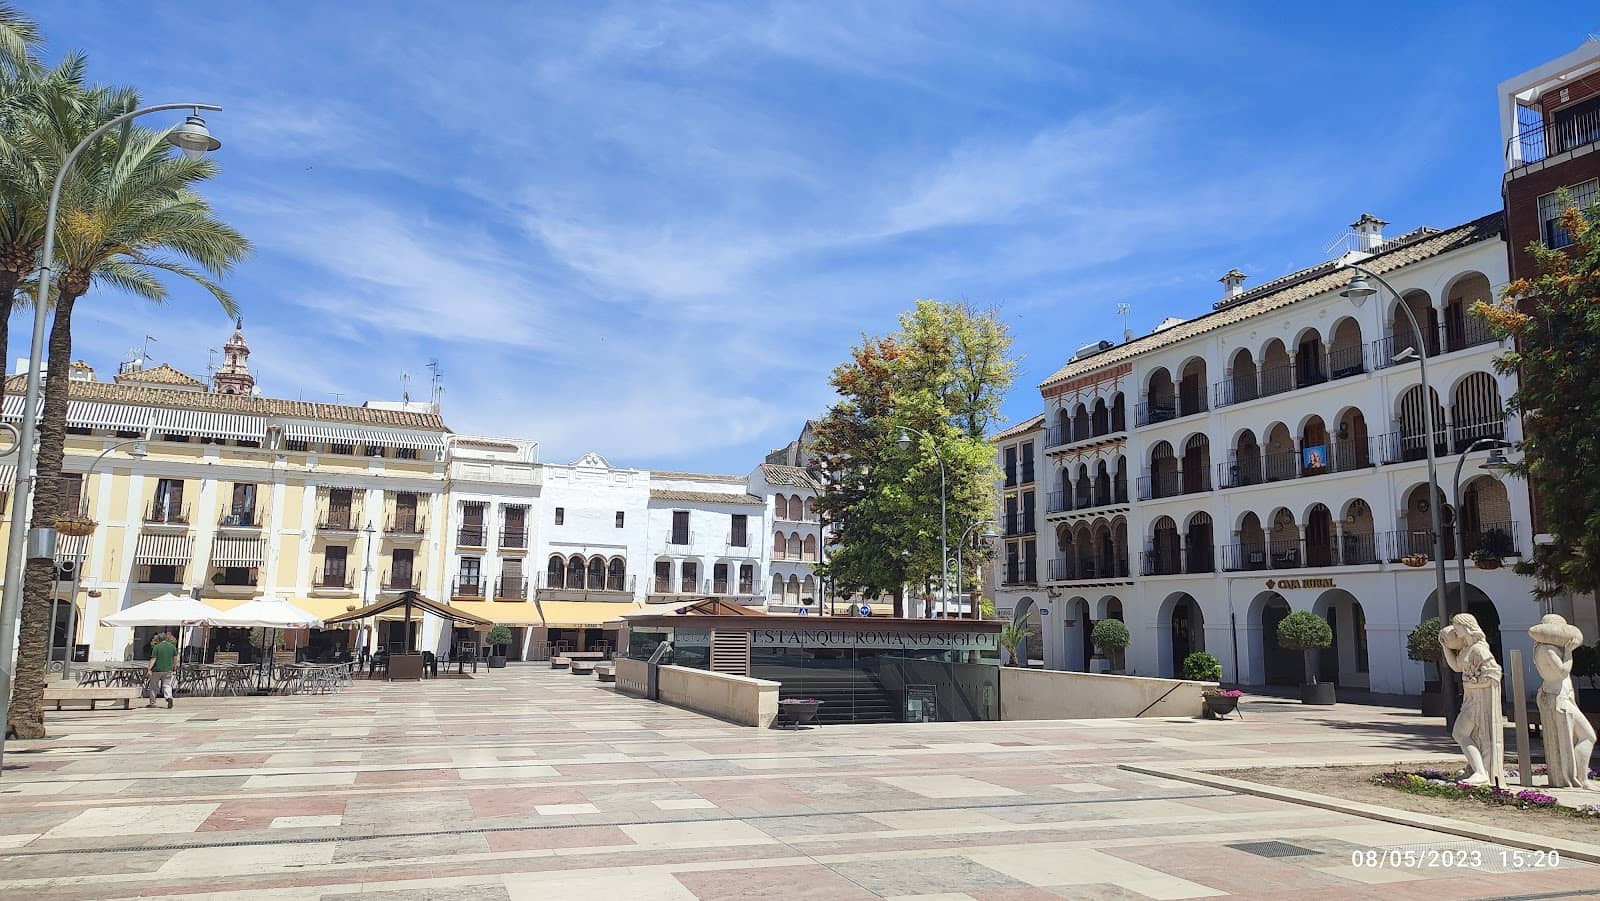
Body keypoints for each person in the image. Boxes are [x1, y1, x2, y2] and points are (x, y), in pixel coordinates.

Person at [147, 631, 179, 709]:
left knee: (154, 686)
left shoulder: (156, 647)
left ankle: (153, 703)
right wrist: (175, 667)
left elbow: (154, 658)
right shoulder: (172, 647)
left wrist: (149, 668)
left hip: (157, 670)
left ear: (158, 639)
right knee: (167, 685)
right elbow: (175, 658)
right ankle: (169, 697)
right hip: (168, 669)